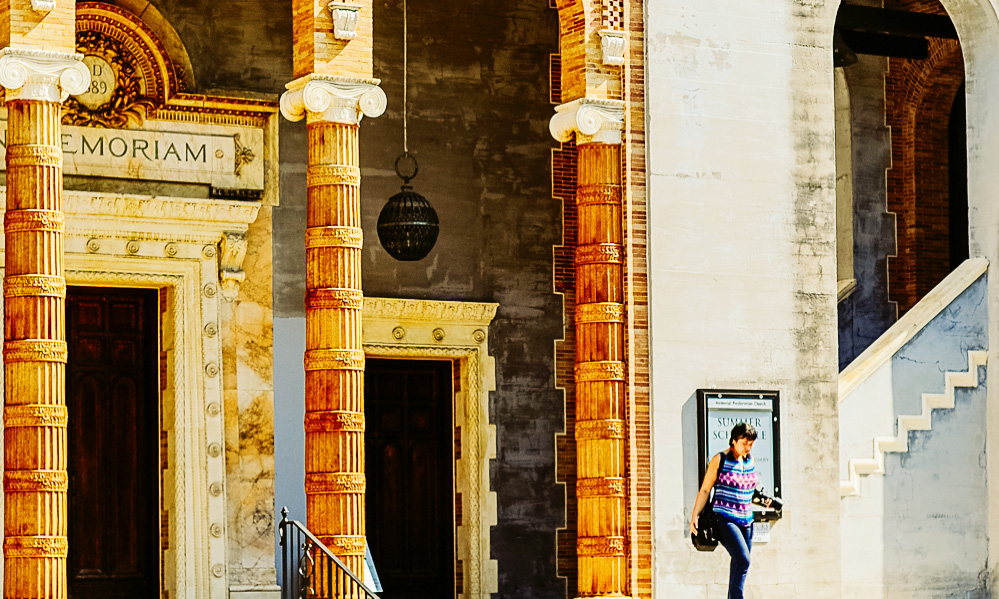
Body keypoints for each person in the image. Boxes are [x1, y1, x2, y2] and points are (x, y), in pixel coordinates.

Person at [689, 422, 768, 599]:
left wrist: (764, 499)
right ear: (733, 440)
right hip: (725, 518)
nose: (748, 447)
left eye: (751, 444)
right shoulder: (720, 459)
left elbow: (750, 489)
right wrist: (695, 514)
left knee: (739, 564)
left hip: (747, 520)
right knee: (743, 560)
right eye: (744, 443)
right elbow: (705, 490)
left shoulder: (750, 460)